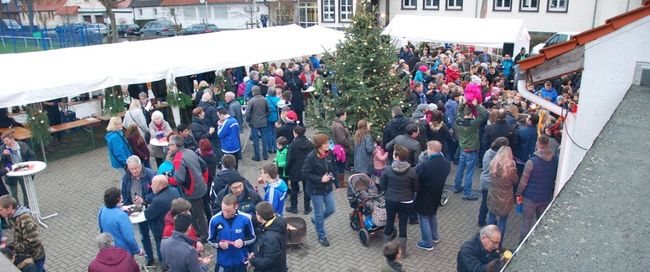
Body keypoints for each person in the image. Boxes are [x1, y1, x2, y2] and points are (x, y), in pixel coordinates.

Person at [168, 135, 209, 242]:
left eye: (169, 145)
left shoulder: (178, 158)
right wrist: (203, 180)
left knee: (197, 213)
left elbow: (179, 179)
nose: (168, 147)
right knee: (199, 211)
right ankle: (200, 232)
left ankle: (203, 235)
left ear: (174, 145)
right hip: (200, 186)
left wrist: (168, 179)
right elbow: (204, 165)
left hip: (192, 191)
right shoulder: (190, 151)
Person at [516, 135, 558, 241]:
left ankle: (521, 248)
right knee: (541, 223)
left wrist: (518, 193)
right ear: (548, 144)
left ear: (537, 144)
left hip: (530, 198)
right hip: (545, 197)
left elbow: (523, 182)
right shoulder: (555, 160)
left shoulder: (532, 162)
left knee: (526, 224)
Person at [381, 145, 419, 257]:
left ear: (397, 157)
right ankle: (402, 252)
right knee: (403, 224)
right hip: (406, 201)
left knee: (389, 222)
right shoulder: (412, 171)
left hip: (391, 200)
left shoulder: (387, 169)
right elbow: (416, 188)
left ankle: (386, 250)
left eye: (393, 154)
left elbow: (383, 185)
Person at [302, 133, 336, 247]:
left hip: (328, 188)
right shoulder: (311, 157)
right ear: (319, 145)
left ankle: (316, 220)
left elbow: (332, 167)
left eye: (328, 142)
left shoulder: (329, 153)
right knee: (319, 213)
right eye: (325, 143)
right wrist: (320, 179)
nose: (328, 144)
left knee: (331, 209)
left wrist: (334, 180)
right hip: (316, 190)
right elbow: (305, 174)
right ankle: (321, 236)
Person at [414, 141, 449, 251]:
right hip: (437, 193)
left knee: (423, 217)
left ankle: (427, 242)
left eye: (428, 148)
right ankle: (435, 236)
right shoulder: (446, 163)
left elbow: (416, 175)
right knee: (433, 214)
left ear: (431, 149)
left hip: (425, 194)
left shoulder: (426, 165)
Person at [121, 155, 156, 265]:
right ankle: (149, 258)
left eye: (136, 168)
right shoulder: (126, 177)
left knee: (156, 233)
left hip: (150, 209)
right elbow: (125, 193)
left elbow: (156, 193)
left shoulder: (150, 174)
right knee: (144, 235)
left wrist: (144, 200)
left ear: (140, 166)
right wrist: (128, 207)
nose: (134, 171)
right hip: (136, 210)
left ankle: (162, 257)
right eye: (131, 169)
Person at [208, 194, 256, 272]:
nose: (225, 213)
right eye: (223, 210)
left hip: (241, 262)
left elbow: (252, 237)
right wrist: (219, 244)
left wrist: (243, 242)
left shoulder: (245, 219)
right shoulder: (215, 220)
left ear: (236, 207)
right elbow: (210, 239)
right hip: (223, 263)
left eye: (228, 211)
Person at [453, 96, 488, 200]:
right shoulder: (473, 123)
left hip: (462, 148)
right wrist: (476, 105)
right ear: (472, 114)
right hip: (471, 150)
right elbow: (483, 115)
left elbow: (459, 112)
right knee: (469, 172)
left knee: (460, 169)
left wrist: (463, 104)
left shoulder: (459, 121)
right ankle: (467, 193)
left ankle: (457, 187)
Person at [0, 195, 45, 271]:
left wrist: (15, 249)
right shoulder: (13, 217)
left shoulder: (25, 220)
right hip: (27, 255)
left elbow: (34, 242)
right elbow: (19, 238)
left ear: (9, 208)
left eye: (1, 210)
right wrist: (10, 247)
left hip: (35, 257)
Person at [98, 187, 143, 258]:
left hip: (108, 249)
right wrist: (138, 250)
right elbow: (129, 238)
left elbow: (101, 228)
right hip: (123, 252)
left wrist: (120, 208)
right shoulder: (121, 216)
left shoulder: (102, 209)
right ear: (118, 199)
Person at [145, 175, 181, 264]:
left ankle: (163, 263)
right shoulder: (174, 190)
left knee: (160, 247)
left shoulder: (158, 201)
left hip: (161, 230)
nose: (151, 186)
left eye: (153, 184)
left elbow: (148, 214)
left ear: (161, 186)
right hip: (175, 227)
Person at [478, 137, 510, 227]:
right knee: (493, 204)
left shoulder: (488, 152)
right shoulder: (500, 158)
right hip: (493, 183)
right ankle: (491, 222)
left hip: (484, 180)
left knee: (484, 202)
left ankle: (481, 220)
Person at [248, 202, 287, 272]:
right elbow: (262, 244)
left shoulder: (271, 237)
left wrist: (252, 261)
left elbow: (269, 261)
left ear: (259, 216)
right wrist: (255, 252)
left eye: (256, 214)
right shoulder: (273, 224)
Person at [285, 126, 314, 214]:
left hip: (295, 170)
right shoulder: (310, 144)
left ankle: (294, 207)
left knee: (294, 189)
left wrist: (287, 171)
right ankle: (307, 207)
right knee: (307, 189)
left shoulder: (292, 145)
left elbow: (289, 159)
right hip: (307, 169)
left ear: (295, 133)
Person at [1, 131, 34, 206]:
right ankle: (15, 207)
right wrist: (3, 154)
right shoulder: (2, 148)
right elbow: (1, 162)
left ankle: (27, 205)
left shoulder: (22, 145)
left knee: (26, 190)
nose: (5, 143)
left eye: (6, 141)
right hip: (11, 173)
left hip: (23, 170)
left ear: (12, 139)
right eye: (4, 141)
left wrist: (28, 164)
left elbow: (31, 155)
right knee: (13, 193)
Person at [247, 86, 270, 161]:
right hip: (263, 122)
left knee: (255, 140)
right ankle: (265, 155)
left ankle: (257, 156)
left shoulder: (251, 101)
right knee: (264, 139)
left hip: (254, 123)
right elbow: (268, 110)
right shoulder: (264, 99)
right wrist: (264, 116)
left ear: (253, 92)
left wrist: (248, 120)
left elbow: (248, 113)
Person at [197, 138, 218, 222]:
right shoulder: (213, 155)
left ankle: (209, 219)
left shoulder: (201, 158)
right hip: (212, 179)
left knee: (205, 203)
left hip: (204, 181)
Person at [331, 110, 352, 188]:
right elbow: (341, 139)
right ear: (341, 115)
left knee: (340, 165)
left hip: (340, 148)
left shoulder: (336, 124)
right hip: (342, 149)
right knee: (341, 166)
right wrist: (349, 145)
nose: (346, 116)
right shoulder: (339, 126)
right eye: (345, 114)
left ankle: (340, 181)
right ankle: (341, 182)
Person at [265, 87, 280, 154]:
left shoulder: (266, 99)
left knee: (268, 133)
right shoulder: (278, 100)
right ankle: (275, 147)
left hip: (268, 117)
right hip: (276, 118)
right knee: (275, 133)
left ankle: (269, 148)